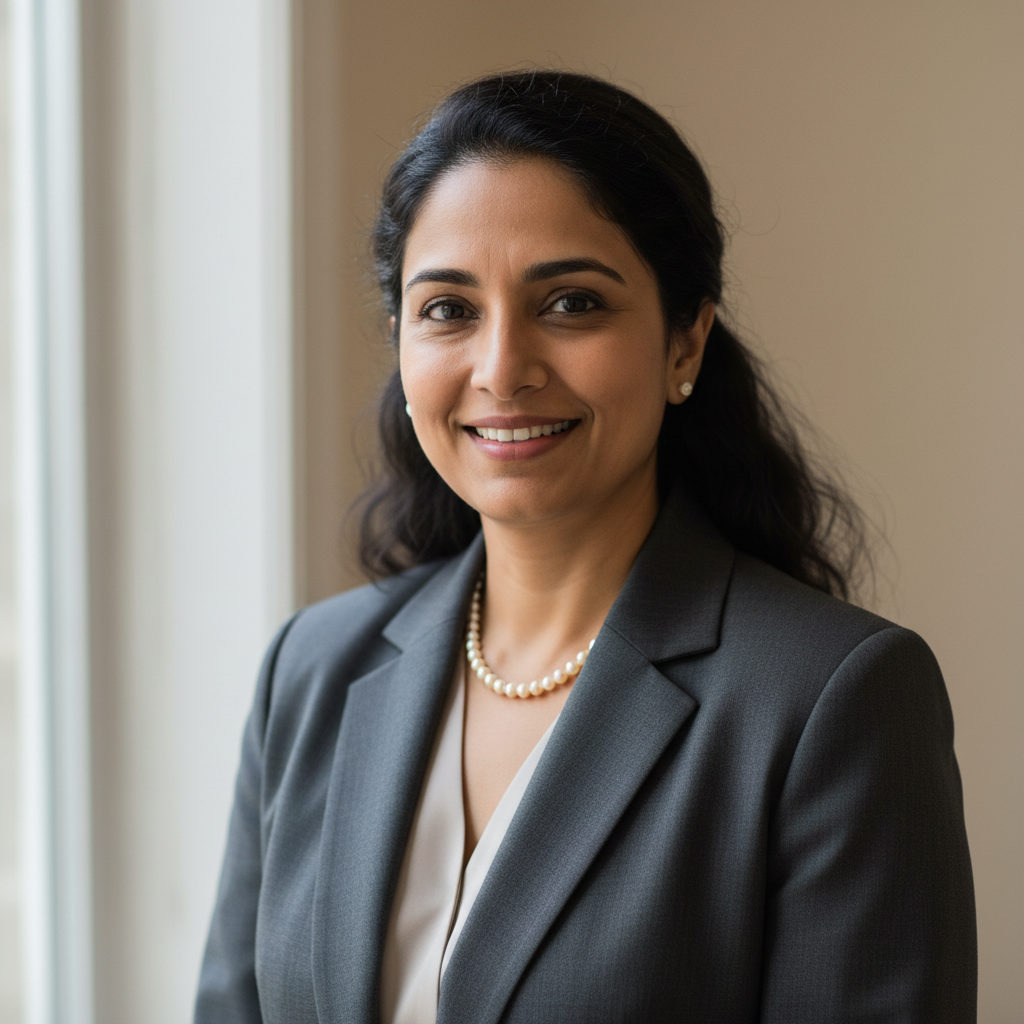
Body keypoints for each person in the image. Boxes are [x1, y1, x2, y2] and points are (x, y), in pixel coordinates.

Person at [194, 71, 976, 1024]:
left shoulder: (833, 701)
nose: (502, 368)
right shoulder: (308, 671)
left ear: (685, 343)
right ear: (401, 343)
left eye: (570, 303)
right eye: (448, 309)